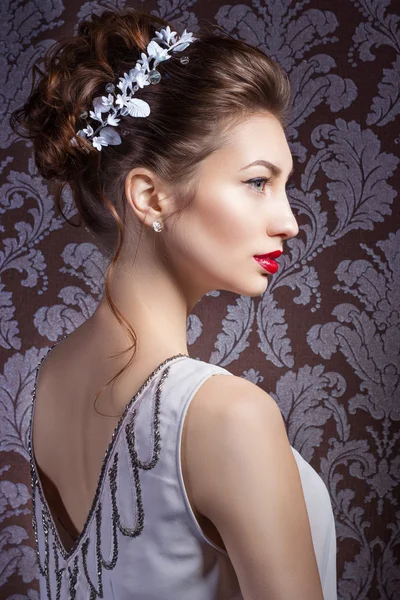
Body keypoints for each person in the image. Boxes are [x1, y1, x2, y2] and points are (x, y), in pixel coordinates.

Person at [10, 6, 337, 600]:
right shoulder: (229, 417)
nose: (289, 221)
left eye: (285, 185)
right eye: (258, 181)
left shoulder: (44, 383)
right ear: (151, 195)